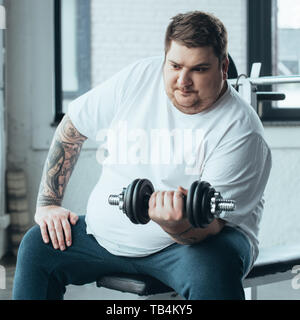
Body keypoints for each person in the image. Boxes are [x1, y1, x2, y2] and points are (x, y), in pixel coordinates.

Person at [13, 11, 272, 300]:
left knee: (213, 266)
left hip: (188, 246)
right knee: (38, 245)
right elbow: (74, 124)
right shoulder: (139, 78)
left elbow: (207, 228)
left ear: (223, 67)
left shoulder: (241, 130)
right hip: (102, 238)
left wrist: (173, 223)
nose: (183, 81)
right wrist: (48, 203)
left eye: (199, 69)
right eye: (174, 65)